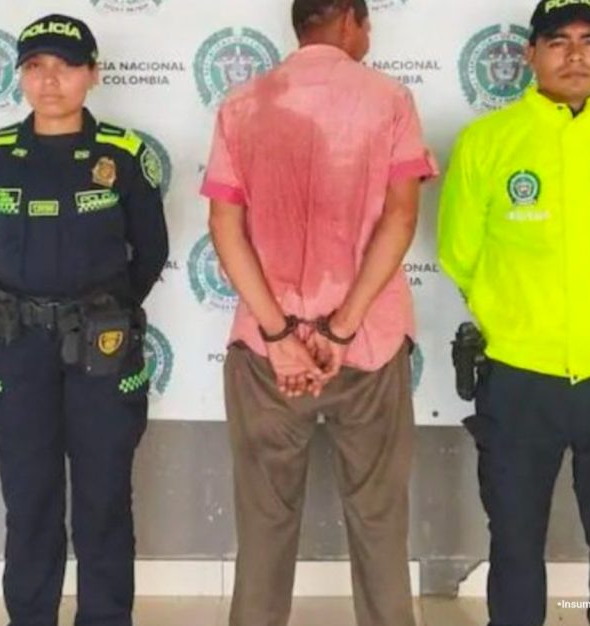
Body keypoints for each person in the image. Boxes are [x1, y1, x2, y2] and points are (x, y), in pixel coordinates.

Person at [437, 1, 590, 625]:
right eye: (557, 40)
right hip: (520, 378)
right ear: (530, 54)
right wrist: (519, 316)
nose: (574, 54)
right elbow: (459, 253)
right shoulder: (488, 142)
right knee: (516, 546)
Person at [200, 1, 436, 624]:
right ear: (351, 21)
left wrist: (280, 333)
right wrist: (341, 327)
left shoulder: (242, 104)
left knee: (264, 525)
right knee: (381, 521)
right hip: (370, 343)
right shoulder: (389, 99)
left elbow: (225, 227)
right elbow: (402, 217)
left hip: (265, 352)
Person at [0, 13, 168, 626]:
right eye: (35, 67)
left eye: (64, 66)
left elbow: (150, 252)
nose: (49, 81)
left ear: (92, 74)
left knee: (104, 499)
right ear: (22, 77)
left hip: (101, 349)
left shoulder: (124, 156)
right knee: (29, 499)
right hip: (19, 347)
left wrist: (99, 311)